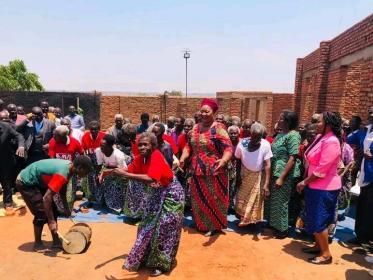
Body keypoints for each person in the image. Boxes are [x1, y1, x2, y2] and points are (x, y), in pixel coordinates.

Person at [113, 132, 185, 276]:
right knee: (146, 225)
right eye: (139, 144)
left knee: (165, 226)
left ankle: (161, 264)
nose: (142, 147)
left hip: (172, 194)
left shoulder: (156, 155)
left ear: (153, 146)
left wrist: (126, 175)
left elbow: (151, 178)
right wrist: (109, 172)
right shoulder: (140, 159)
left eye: (145, 144)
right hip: (156, 193)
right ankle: (144, 257)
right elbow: (128, 170)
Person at [15, 156, 93, 252]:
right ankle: (38, 244)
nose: (86, 174)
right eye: (86, 171)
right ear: (80, 167)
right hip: (26, 182)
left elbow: (62, 189)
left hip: (39, 182)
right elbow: (47, 198)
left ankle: (56, 241)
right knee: (41, 212)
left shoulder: (70, 169)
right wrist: (51, 221)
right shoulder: (63, 173)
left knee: (53, 210)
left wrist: (66, 208)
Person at [180, 98, 233, 236]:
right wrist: (183, 157)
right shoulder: (195, 128)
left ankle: (214, 225)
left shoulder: (218, 129)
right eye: (201, 111)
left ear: (213, 112)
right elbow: (188, 146)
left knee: (213, 197)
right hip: (196, 168)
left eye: (206, 111)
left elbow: (228, 148)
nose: (203, 114)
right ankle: (200, 223)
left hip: (214, 169)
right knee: (198, 197)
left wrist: (224, 160)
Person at [296, 112, 342, 264]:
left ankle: (326, 254)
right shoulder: (320, 138)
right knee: (313, 217)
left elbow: (322, 170)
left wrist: (304, 182)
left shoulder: (332, 142)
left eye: (320, 121)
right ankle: (318, 246)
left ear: (328, 124)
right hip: (314, 185)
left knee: (319, 219)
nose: (317, 124)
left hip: (324, 188)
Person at [267, 110, 301, 239]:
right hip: (274, 171)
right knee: (274, 200)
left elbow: (293, 157)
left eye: (281, 118)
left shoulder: (293, 135)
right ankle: (273, 225)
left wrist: (281, 177)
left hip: (283, 174)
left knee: (281, 201)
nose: (278, 120)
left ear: (288, 121)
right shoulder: (280, 134)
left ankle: (282, 229)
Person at [235, 123, 272, 230]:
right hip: (244, 175)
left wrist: (266, 184)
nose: (256, 139)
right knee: (241, 198)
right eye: (254, 136)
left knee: (255, 199)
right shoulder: (243, 143)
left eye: (258, 136)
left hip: (258, 176)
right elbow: (237, 160)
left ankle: (252, 222)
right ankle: (244, 219)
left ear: (262, 136)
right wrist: (238, 176)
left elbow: (267, 164)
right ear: (250, 134)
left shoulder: (265, 144)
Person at [95, 134, 130, 213]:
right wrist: (98, 176)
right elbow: (99, 166)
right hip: (106, 169)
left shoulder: (118, 155)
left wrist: (107, 173)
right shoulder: (98, 151)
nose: (101, 148)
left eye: (103, 146)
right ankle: (102, 200)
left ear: (110, 146)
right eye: (100, 145)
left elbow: (124, 170)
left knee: (113, 184)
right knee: (99, 181)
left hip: (119, 171)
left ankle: (116, 204)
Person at [354, 106, 373, 245]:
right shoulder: (366, 130)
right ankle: (361, 236)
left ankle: (368, 237)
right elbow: (350, 138)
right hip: (365, 172)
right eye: (370, 111)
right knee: (363, 206)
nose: (371, 114)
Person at [0, 120, 25, 215]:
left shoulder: (6, 126)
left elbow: (19, 136)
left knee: (7, 183)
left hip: (5, 160)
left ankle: (8, 202)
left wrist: (21, 146)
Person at [80, 121, 106, 200]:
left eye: (95, 129)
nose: (93, 131)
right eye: (91, 129)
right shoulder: (85, 136)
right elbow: (83, 150)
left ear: (99, 129)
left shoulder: (104, 136)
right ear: (89, 130)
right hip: (89, 160)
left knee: (99, 179)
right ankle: (90, 195)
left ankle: (100, 196)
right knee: (90, 178)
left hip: (101, 161)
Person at [227, 125, 241, 211]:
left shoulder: (242, 143)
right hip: (228, 167)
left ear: (239, 134)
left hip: (238, 167)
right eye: (231, 133)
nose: (233, 135)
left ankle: (235, 206)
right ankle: (228, 205)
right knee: (228, 187)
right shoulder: (226, 142)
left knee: (236, 186)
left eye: (235, 133)